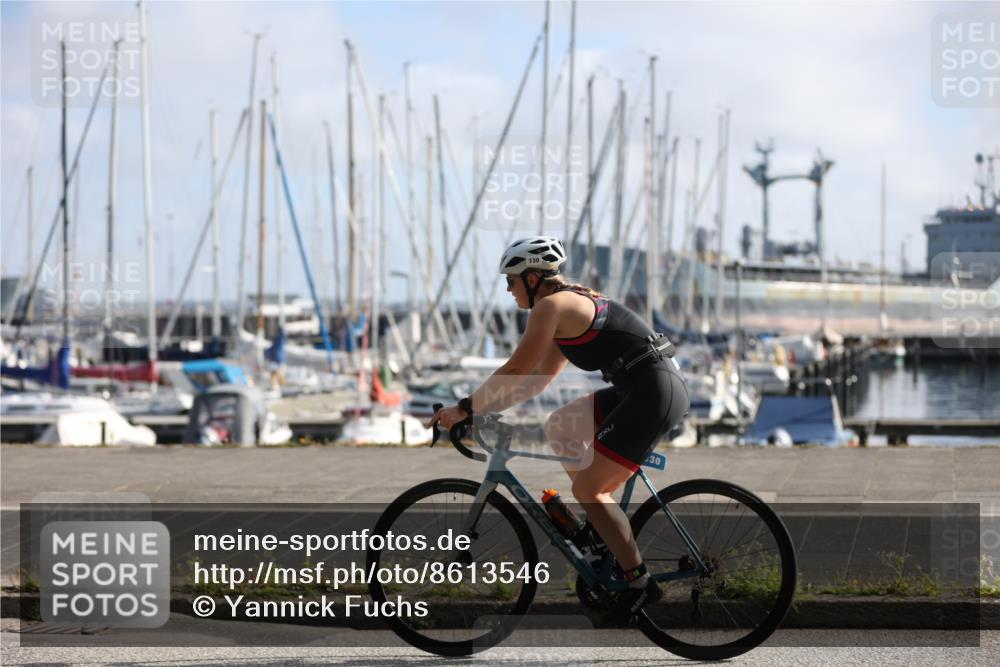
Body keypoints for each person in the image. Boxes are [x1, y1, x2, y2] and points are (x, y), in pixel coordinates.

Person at [430, 235, 690, 622]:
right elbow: (535, 382)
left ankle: (640, 583)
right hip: (641, 387)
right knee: (561, 426)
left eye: (512, 280)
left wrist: (466, 406)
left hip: (653, 393)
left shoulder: (551, 306)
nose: (508, 289)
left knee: (588, 488)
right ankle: (598, 535)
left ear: (533, 278)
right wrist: (478, 414)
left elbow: (517, 368)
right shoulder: (564, 304)